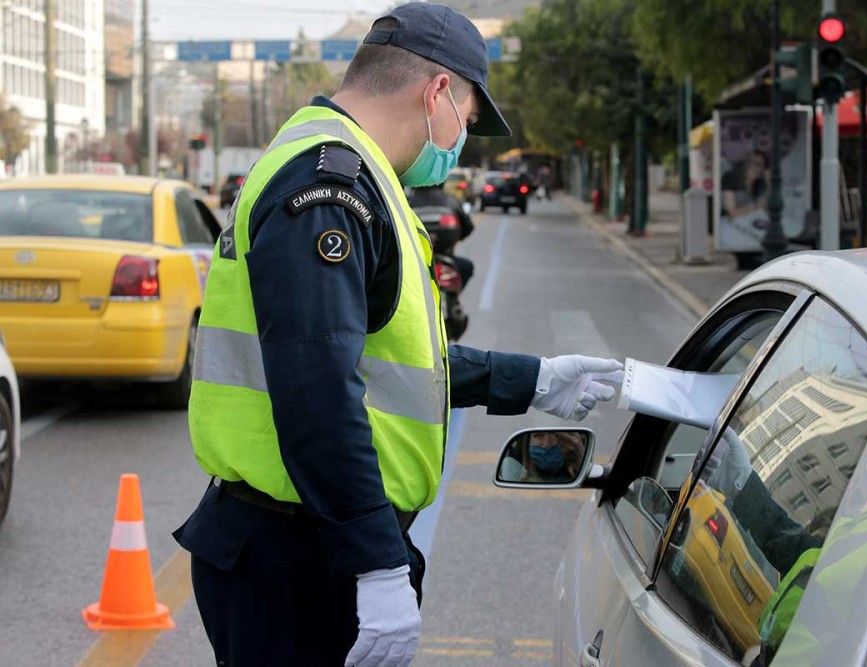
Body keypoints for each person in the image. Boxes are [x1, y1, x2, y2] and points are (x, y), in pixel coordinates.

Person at [173, 5, 623, 666]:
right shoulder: (331, 189)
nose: (461, 140)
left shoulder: (338, 167)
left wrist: (533, 378)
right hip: (301, 558)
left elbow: (378, 356)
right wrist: (375, 562)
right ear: (438, 91)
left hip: (301, 541)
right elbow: (319, 389)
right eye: (467, 122)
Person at [721, 149, 769, 219]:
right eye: (750, 162)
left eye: (758, 164)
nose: (753, 166)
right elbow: (732, 214)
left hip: (746, 219)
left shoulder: (760, 183)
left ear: (763, 169)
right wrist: (756, 206)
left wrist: (768, 180)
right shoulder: (730, 177)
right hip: (723, 221)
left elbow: (765, 206)